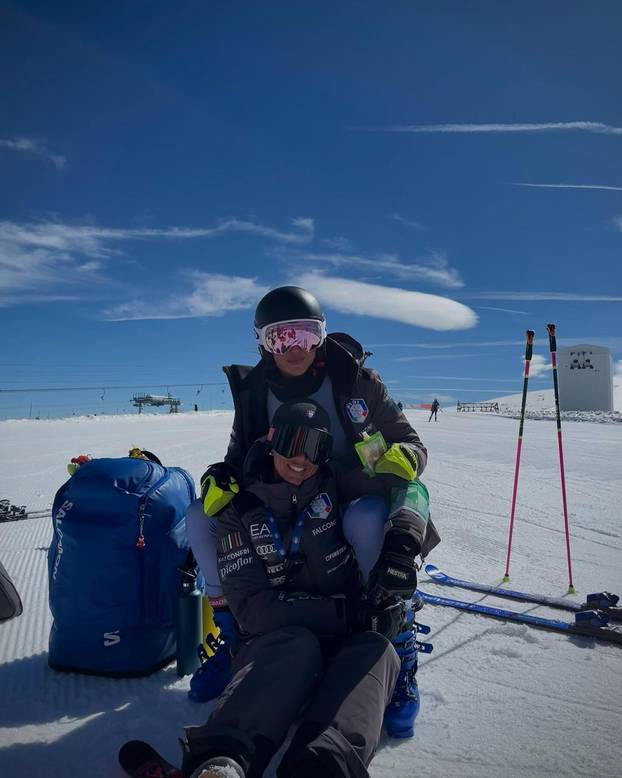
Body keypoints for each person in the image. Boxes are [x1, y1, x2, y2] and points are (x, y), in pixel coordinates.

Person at [187, 286, 439, 734]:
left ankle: (393, 638)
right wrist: (218, 476)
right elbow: (236, 453)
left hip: (349, 492)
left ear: (320, 336)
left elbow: (412, 443)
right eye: (280, 338)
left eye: (304, 335)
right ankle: (231, 637)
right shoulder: (254, 391)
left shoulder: (357, 381)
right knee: (199, 518)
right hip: (286, 494)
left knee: (367, 519)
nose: (293, 348)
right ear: (263, 343)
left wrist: (404, 459)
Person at [181, 400, 404, 778]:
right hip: (279, 639)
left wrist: (406, 540)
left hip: (342, 638)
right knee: (295, 644)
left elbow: (407, 487)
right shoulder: (240, 506)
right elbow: (253, 610)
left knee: (378, 648)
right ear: (271, 440)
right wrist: (346, 612)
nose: (301, 458)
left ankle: (323, 767)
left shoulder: (334, 485)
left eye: (314, 446)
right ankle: (223, 758)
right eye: (290, 442)